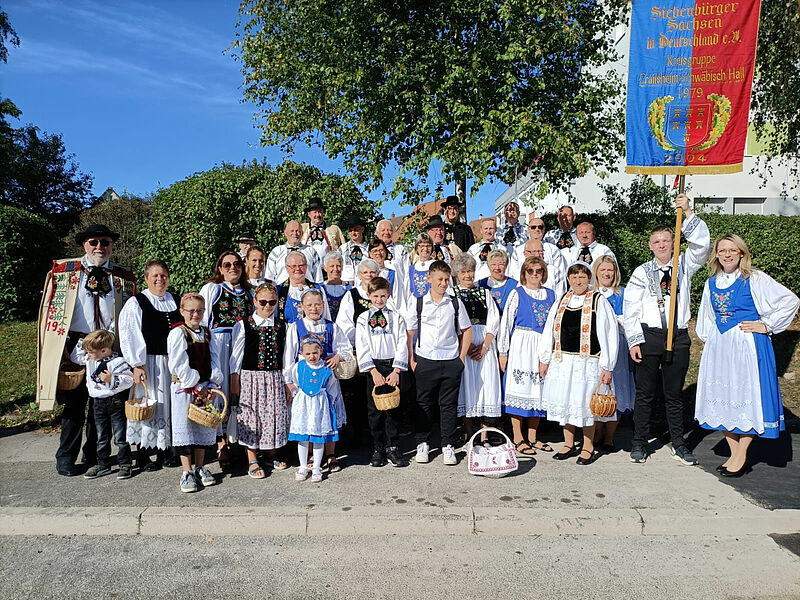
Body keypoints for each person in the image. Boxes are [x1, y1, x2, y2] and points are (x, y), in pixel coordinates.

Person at [694, 235, 800, 477]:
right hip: (721, 348)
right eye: (723, 250)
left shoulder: (754, 278)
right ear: (716, 254)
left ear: (742, 253)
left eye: (733, 250)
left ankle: (741, 455)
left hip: (747, 346)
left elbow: (790, 300)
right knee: (722, 396)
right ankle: (735, 453)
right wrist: (712, 343)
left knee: (747, 396)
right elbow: (706, 319)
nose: (728, 254)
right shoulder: (711, 283)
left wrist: (767, 324)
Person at [37, 224, 136, 477]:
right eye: (94, 242)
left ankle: (94, 455)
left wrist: (112, 343)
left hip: (107, 347)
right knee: (74, 405)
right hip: (75, 347)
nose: (99, 247)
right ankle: (66, 456)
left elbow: (125, 316)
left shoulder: (122, 277)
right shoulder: (65, 274)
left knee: (101, 406)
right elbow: (51, 314)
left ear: (112, 245)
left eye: (105, 242)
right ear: (84, 245)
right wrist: (62, 349)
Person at [623, 193, 710, 465]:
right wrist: (635, 341)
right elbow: (631, 310)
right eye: (656, 241)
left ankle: (679, 443)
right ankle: (638, 443)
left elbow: (702, 247)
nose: (662, 244)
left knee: (674, 396)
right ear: (650, 246)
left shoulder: (685, 265)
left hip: (678, 336)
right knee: (645, 394)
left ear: (674, 241)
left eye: (666, 240)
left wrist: (688, 213)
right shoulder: (640, 272)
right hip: (650, 337)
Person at [540, 262, 619, 465]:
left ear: (589, 279)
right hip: (563, 362)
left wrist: (607, 366)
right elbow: (549, 330)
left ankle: (587, 446)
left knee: (585, 406)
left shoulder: (597, 301)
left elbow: (610, 334)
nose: (578, 281)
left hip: (587, 363)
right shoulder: (561, 301)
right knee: (566, 404)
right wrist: (544, 358)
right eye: (574, 277)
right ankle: (568, 443)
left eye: (582, 277)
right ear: (568, 279)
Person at [406, 260, 472, 465]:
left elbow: (466, 330)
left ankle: (448, 445)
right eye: (440, 279)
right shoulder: (417, 303)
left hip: (450, 360)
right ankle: (422, 443)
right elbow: (409, 333)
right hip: (425, 360)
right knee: (424, 404)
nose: (443, 283)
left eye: (446, 280)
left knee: (448, 405)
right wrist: (411, 359)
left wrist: (460, 358)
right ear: (429, 279)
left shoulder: (454, 303)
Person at [119, 259, 183, 471]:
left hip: (172, 363)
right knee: (149, 404)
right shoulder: (137, 302)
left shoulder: (175, 300)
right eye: (155, 275)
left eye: (163, 275)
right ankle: (144, 454)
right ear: (146, 278)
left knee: (170, 405)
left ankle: (167, 451)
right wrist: (137, 364)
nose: (160, 279)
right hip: (149, 362)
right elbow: (130, 334)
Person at [283, 289, 349, 472]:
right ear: (302, 307)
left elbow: (345, 348)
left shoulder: (331, 327)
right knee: (310, 417)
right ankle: (311, 453)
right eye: (309, 305)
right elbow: (288, 357)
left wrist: (338, 356)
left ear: (323, 305)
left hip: (327, 381)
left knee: (329, 415)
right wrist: (289, 382)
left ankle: (330, 454)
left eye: (318, 304)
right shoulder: (296, 327)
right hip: (305, 381)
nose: (314, 308)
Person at [230, 283, 290, 479]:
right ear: (255, 301)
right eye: (262, 301)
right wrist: (234, 380)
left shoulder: (282, 325)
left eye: (272, 302)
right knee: (251, 418)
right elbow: (236, 357)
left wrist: (287, 381)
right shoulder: (243, 325)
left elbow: (286, 357)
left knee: (274, 415)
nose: (267, 306)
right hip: (250, 378)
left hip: (274, 377)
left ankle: (270, 453)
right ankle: (252, 458)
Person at [199, 251, 254, 468]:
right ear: (220, 268)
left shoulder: (249, 293)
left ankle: (239, 439)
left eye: (237, 264)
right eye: (227, 265)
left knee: (240, 390)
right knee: (219, 389)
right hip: (219, 344)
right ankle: (221, 443)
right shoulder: (213, 289)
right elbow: (202, 321)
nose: (233, 268)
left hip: (242, 345)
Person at [497, 257, 556, 457]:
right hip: (521, 345)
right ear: (524, 273)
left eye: (538, 271)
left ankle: (532, 436)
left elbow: (554, 325)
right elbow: (505, 323)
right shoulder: (517, 293)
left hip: (542, 345)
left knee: (538, 391)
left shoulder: (551, 295)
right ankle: (517, 436)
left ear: (543, 273)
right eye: (530, 271)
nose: (534, 274)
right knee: (519, 389)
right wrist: (503, 351)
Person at [167, 293, 223, 493]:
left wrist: (213, 383)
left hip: (206, 388)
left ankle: (200, 466)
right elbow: (178, 365)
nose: (195, 315)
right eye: (191, 311)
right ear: (182, 311)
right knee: (185, 428)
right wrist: (197, 386)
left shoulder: (208, 333)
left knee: (203, 427)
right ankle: (187, 471)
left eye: (199, 310)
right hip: (185, 388)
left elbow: (214, 359)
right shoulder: (178, 333)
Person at [355, 277, 410, 468]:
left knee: (393, 408)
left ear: (388, 295)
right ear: (369, 296)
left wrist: (397, 370)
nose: (379, 300)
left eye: (383, 296)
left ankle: (392, 447)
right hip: (374, 368)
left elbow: (402, 342)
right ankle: (378, 448)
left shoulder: (396, 317)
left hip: (392, 366)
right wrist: (372, 371)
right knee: (375, 411)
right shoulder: (363, 319)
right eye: (375, 296)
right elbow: (361, 345)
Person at [451, 254, 502, 440]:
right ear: (457, 274)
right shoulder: (452, 295)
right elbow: (452, 322)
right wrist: (467, 343)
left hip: (484, 347)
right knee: (467, 387)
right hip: (463, 344)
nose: (467, 275)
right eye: (463, 272)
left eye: (470, 271)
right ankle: (469, 434)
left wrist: (483, 347)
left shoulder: (485, 293)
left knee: (486, 387)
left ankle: (485, 436)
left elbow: (494, 321)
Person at [71, 330, 134, 480]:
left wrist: (112, 379)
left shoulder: (118, 362)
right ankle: (103, 464)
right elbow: (76, 357)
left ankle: (125, 463)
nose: (88, 354)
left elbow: (129, 379)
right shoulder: (90, 359)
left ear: (104, 350)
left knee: (120, 435)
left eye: (90, 351)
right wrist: (83, 341)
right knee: (102, 436)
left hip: (115, 401)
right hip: (98, 403)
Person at [591, 256, 636, 452]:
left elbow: (633, 318)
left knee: (617, 393)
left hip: (618, 346)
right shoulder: (590, 294)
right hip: (595, 347)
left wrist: (618, 321)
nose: (607, 273)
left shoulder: (623, 294)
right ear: (596, 272)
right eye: (603, 270)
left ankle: (610, 436)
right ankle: (597, 432)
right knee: (596, 391)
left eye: (610, 270)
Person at [286, 335, 344, 482]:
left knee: (319, 437)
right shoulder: (298, 367)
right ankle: (303, 466)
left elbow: (331, 388)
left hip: (320, 405)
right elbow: (294, 381)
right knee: (303, 437)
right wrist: (296, 395)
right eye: (308, 353)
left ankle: (317, 467)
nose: (312, 356)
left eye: (315, 353)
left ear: (320, 351)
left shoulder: (326, 369)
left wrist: (328, 401)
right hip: (304, 406)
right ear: (302, 353)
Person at [275, 251, 331, 324]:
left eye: (301, 265)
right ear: (287, 268)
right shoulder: (278, 291)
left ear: (306, 266)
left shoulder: (318, 289)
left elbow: (326, 317)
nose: (298, 269)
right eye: (293, 266)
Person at [266, 220, 323, 284]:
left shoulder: (311, 251)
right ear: (285, 233)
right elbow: (269, 277)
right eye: (292, 231)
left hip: (307, 291)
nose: (295, 233)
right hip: (281, 292)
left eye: (297, 231)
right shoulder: (276, 252)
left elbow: (318, 277)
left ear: (302, 233)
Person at [368, 238, 406, 313]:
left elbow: (397, 294)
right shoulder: (366, 273)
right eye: (375, 251)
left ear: (385, 252)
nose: (378, 253)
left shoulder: (392, 272)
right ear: (370, 254)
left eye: (381, 250)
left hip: (389, 309)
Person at [478, 249, 517, 315]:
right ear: (488, 265)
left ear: (506, 265)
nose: (497, 268)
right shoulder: (480, 284)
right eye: (493, 264)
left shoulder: (515, 285)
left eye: (501, 264)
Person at [339, 215, 369, 285]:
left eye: (356, 230)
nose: (353, 233)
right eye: (350, 230)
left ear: (362, 229)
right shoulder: (342, 248)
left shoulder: (369, 248)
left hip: (364, 285)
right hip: (346, 285)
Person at [321, 251, 350, 322]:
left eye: (338, 266)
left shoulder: (350, 289)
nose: (336, 269)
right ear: (325, 268)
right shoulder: (319, 289)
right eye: (332, 266)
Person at [407, 233, 436, 302]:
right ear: (417, 248)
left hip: (432, 304)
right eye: (422, 246)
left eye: (428, 246)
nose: (425, 249)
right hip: (415, 304)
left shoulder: (436, 265)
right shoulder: (412, 268)